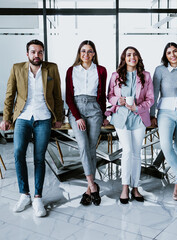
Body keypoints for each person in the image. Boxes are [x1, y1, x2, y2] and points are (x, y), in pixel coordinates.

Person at [0, 39, 63, 217]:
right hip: (23, 117)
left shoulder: (52, 68)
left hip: (43, 118)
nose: (37, 55)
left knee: (39, 158)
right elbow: (10, 95)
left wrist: (59, 117)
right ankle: (24, 194)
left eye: (40, 52)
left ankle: (37, 197)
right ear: (27, 54)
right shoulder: (17, 68)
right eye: (34, 52)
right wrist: (6, 118)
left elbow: (58, 95)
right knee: (18, 152)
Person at [106, 46, 154, 204]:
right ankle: (125, 187)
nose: (132, 57)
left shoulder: (146, 76)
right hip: (121, 117)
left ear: (138, 57)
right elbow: (110, 96)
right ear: (124, 58)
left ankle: (135, 187)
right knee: (127, 151)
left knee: (136, 153)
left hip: (139, 118)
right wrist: (117, 101)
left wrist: (137, 108)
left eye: (135, 54)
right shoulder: (115, 75)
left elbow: (150, 99)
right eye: (128, 55)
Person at [65, 40, 109, 206]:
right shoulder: (71, 71)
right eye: (83, 51)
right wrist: (77, 116)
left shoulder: (101, 70)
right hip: (76, 109)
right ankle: (92, 185)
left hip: (94, 109)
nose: (86, 54)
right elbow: (69, 97)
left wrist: (103, 114)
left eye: (90, 51)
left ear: (94, 54)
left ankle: (89, 190)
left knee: (91, 147)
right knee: (83, 145)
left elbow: (102, 94)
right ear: (79, 53)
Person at [150, 42, 177, 201]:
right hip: (165, 112)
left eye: (175, 51)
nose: (173, 55)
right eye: (169, 52)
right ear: (165, 55)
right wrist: (151, 115)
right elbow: (154, 94)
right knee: (166, 146)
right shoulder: (160, 70)